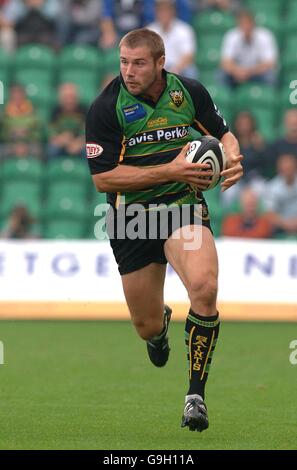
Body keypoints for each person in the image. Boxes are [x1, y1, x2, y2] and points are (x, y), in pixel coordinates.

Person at [85, 28, 243, 432]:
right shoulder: (107, 107)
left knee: (205, 288)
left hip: (180, 206)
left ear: (160, 62)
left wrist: (233, 152)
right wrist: (171, 168)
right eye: (123, 62)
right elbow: (104, 180)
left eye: (138, 63)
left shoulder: (187, 92)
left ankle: (195, 396)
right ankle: (159, 332)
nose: (129, 71)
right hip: (132, 218)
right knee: (146, 324)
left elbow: (221, 132)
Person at [220, 9, 278, 88]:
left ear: (253, 24)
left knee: (270, 76)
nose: (246, 27)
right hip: (237, 73)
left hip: (257, 73)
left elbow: (270, 63)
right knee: (221, 75)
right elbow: (225, 62)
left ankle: (269, 98)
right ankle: (226, 99)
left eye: (248, 23)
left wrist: (249, 72)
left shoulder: (265, 36)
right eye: (243, 24)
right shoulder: (231, 36)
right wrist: (237, 71)